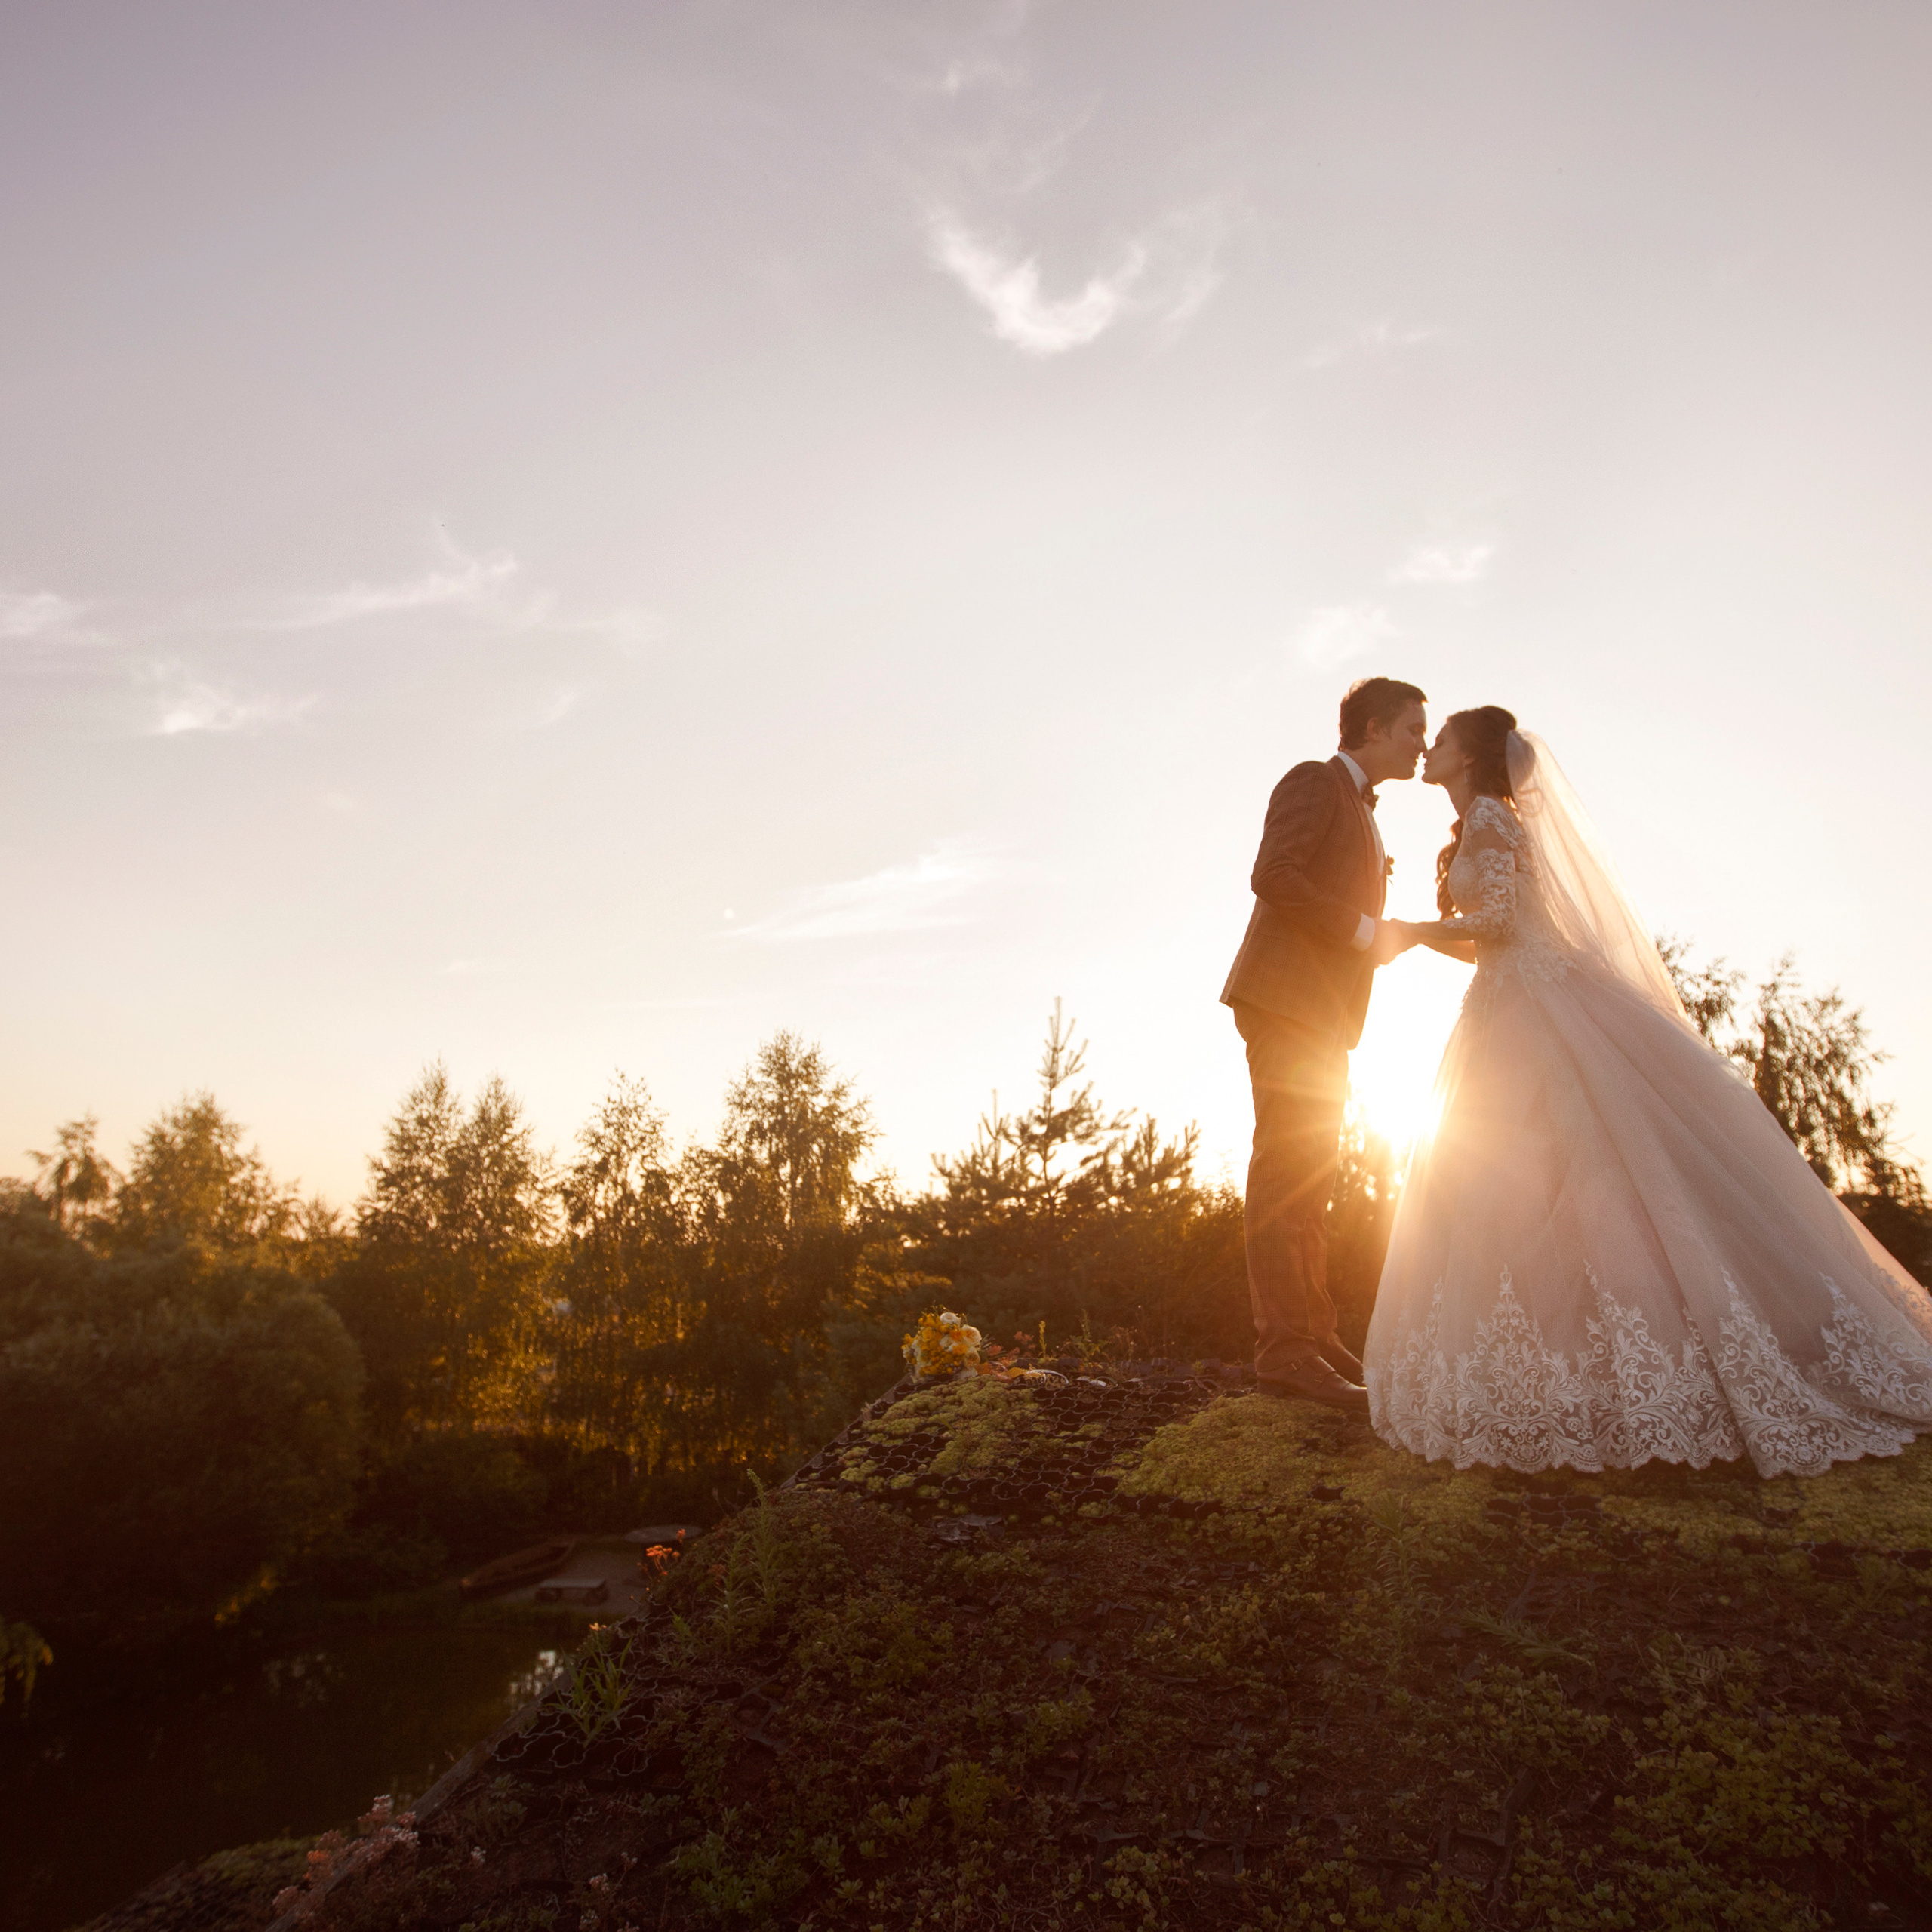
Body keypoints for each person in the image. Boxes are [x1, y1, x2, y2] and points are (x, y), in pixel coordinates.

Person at [1364, 707, 1932, 1477]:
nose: (1428, 748)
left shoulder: (1492, 817)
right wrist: (1442, 944)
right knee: (1533, 1194)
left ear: (1471, 757)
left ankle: (1618, 1372)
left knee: (1559, 1185)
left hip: (1533, 1018)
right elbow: (1502, 939)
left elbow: (1495, 920)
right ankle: (1563, 1371)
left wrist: (1407, 932)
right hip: (1510, 1007)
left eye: (1441, 738)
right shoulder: (1482, 821)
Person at [1221, 675, 1426, 1412]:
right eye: (1411, 730)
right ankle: (1283, 1349)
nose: (1421, 744)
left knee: (1313, 1173)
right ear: (1371, 728)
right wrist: (1369, 933)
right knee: (1287, 1170)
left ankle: (1312, 1332)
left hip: (1323, 1014)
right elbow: (1272, 875)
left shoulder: (1363, 810)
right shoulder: (1313, 781)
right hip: (1285, 1002)